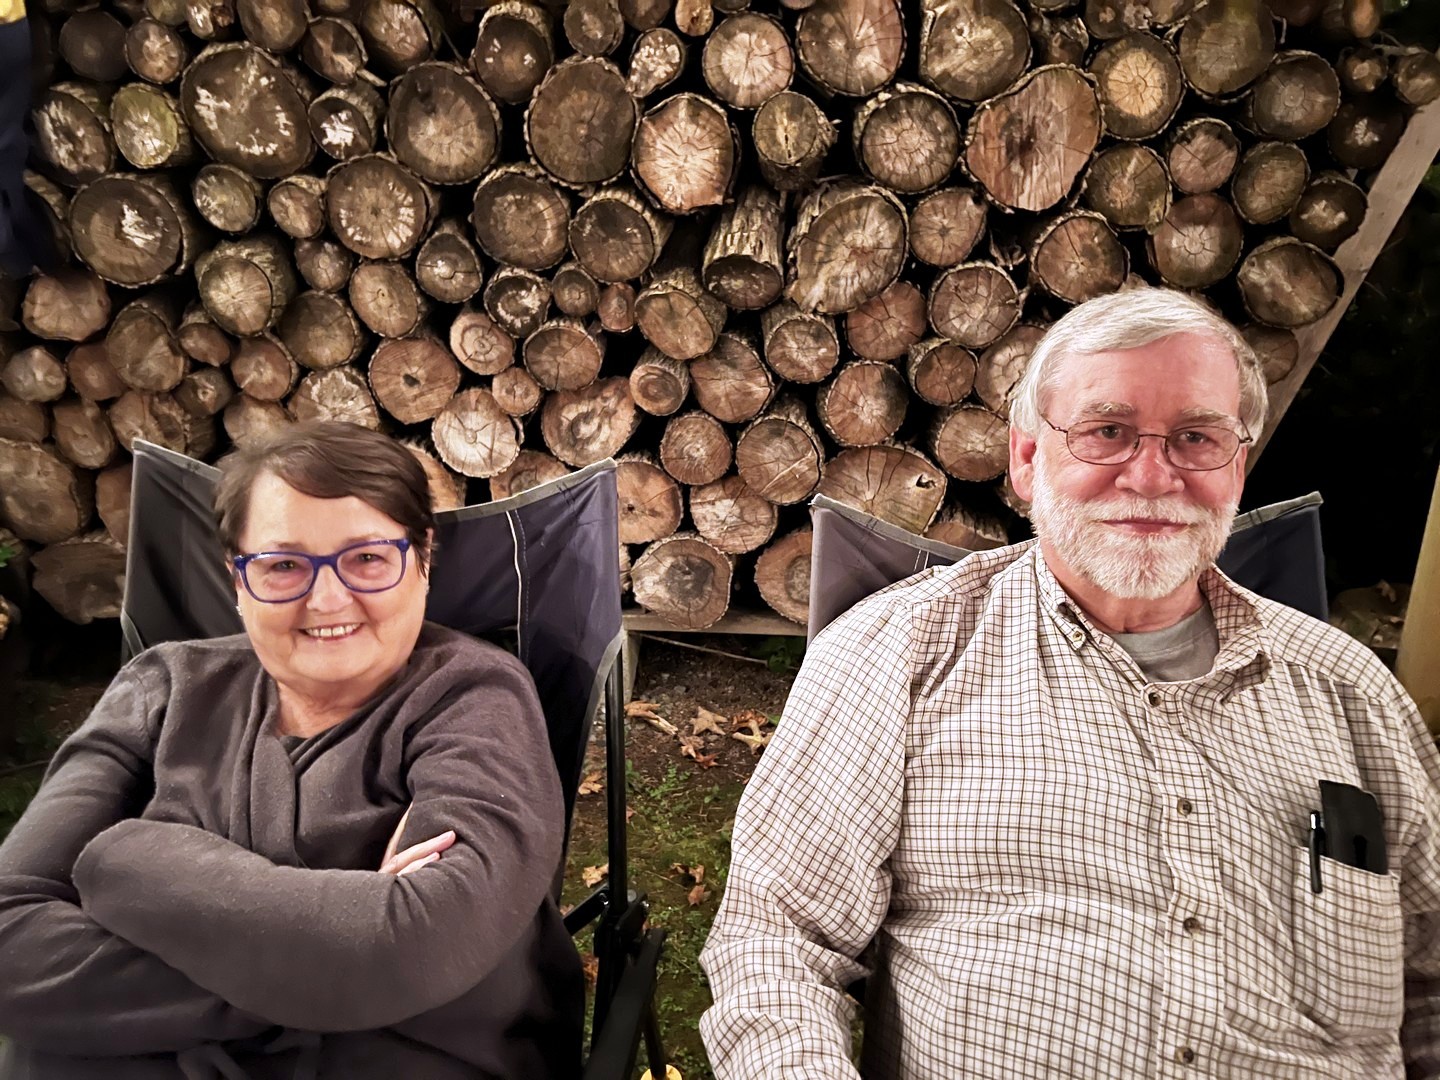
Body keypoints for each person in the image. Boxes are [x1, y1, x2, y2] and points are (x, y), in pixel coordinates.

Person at [699, 287, 1440, 1078]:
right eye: (1106, 432)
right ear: (1026, 459)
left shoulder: (1352, 693)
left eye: (1196, 437)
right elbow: (777, 944)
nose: (1151, 476)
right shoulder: (901, 654)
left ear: (1236, 465)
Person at [0, 421, 582, 1078]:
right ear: (236, 578)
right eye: (282, 565)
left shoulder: (474, 697)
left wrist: (125, 860)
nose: (327, 598)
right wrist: (333, 972)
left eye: (368, 558)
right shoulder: (162, 686)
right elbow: (10, 935)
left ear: (422, 560)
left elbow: (414, 948)